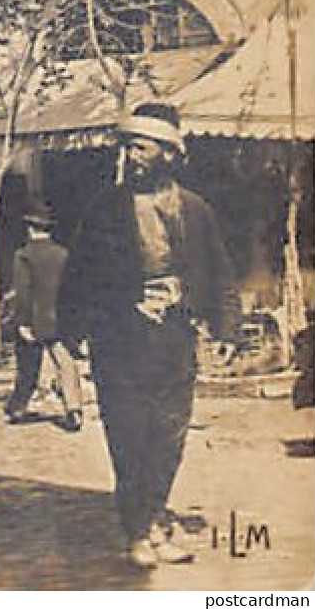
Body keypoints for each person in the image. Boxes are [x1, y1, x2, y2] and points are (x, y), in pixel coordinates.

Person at [62, 102, 241, 570]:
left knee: (168, 436)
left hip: (175, 340)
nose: (131, 157)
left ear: (168, 152)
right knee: (128, 436)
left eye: (140, 148)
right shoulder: (106, 208)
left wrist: (227, 328)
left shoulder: (195, 210)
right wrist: (73, 328)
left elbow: (220, 270)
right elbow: (79, 273)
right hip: (120, 338)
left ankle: (158, 517)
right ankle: (138, 530)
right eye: (128, 148)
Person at [4, 199, 83, 431]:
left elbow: (23, 291)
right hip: (59, 318)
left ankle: (18, 407)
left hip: (34, 318)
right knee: (65, 363)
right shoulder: (63, 254)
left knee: (28, 364)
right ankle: (74, 409)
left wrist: (22, 322)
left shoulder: (23, 255)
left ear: (30, 228)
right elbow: (72, 289)